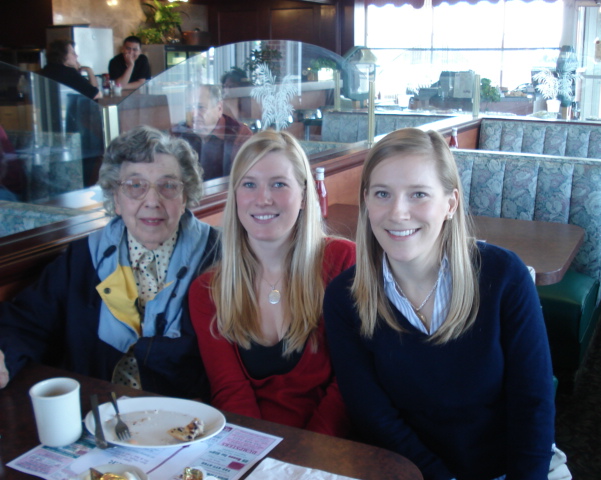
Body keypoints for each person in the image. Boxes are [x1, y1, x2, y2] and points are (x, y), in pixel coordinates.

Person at [323, 128, 556, 479]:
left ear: (450, 204)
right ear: (366, 201)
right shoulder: (345, 297)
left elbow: (533, 405)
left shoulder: (504, 276)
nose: (398, 213)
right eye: (382, 194)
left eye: (418, 194)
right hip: (408, 471)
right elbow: (374, 415)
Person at [0, 126, 219, 399]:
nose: (152, 201)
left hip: (188, 417)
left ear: (185, 197)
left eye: (168, 186)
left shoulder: (218, 256)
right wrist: (4, 354)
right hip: (97, 413)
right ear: (116, 198)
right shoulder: (83, 258)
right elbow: (26, 323)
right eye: (135, 186)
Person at [188, 130, 355, 437]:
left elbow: (349, 384)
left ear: (303, 195)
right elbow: (230, 391)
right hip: (248, 444)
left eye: (278, 184)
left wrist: (305, 455)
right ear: (235, 196)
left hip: (330, 447)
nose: (263, 199)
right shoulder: (208, 290)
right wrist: (257, 455)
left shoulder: (344, 262)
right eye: (249, 184)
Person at [172, 84, 252, 180]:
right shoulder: (178, 133)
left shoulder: (240, 134)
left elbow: (245, 179)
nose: (194, 114)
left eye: (200, 107)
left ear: (219, 108)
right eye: (189, 108)